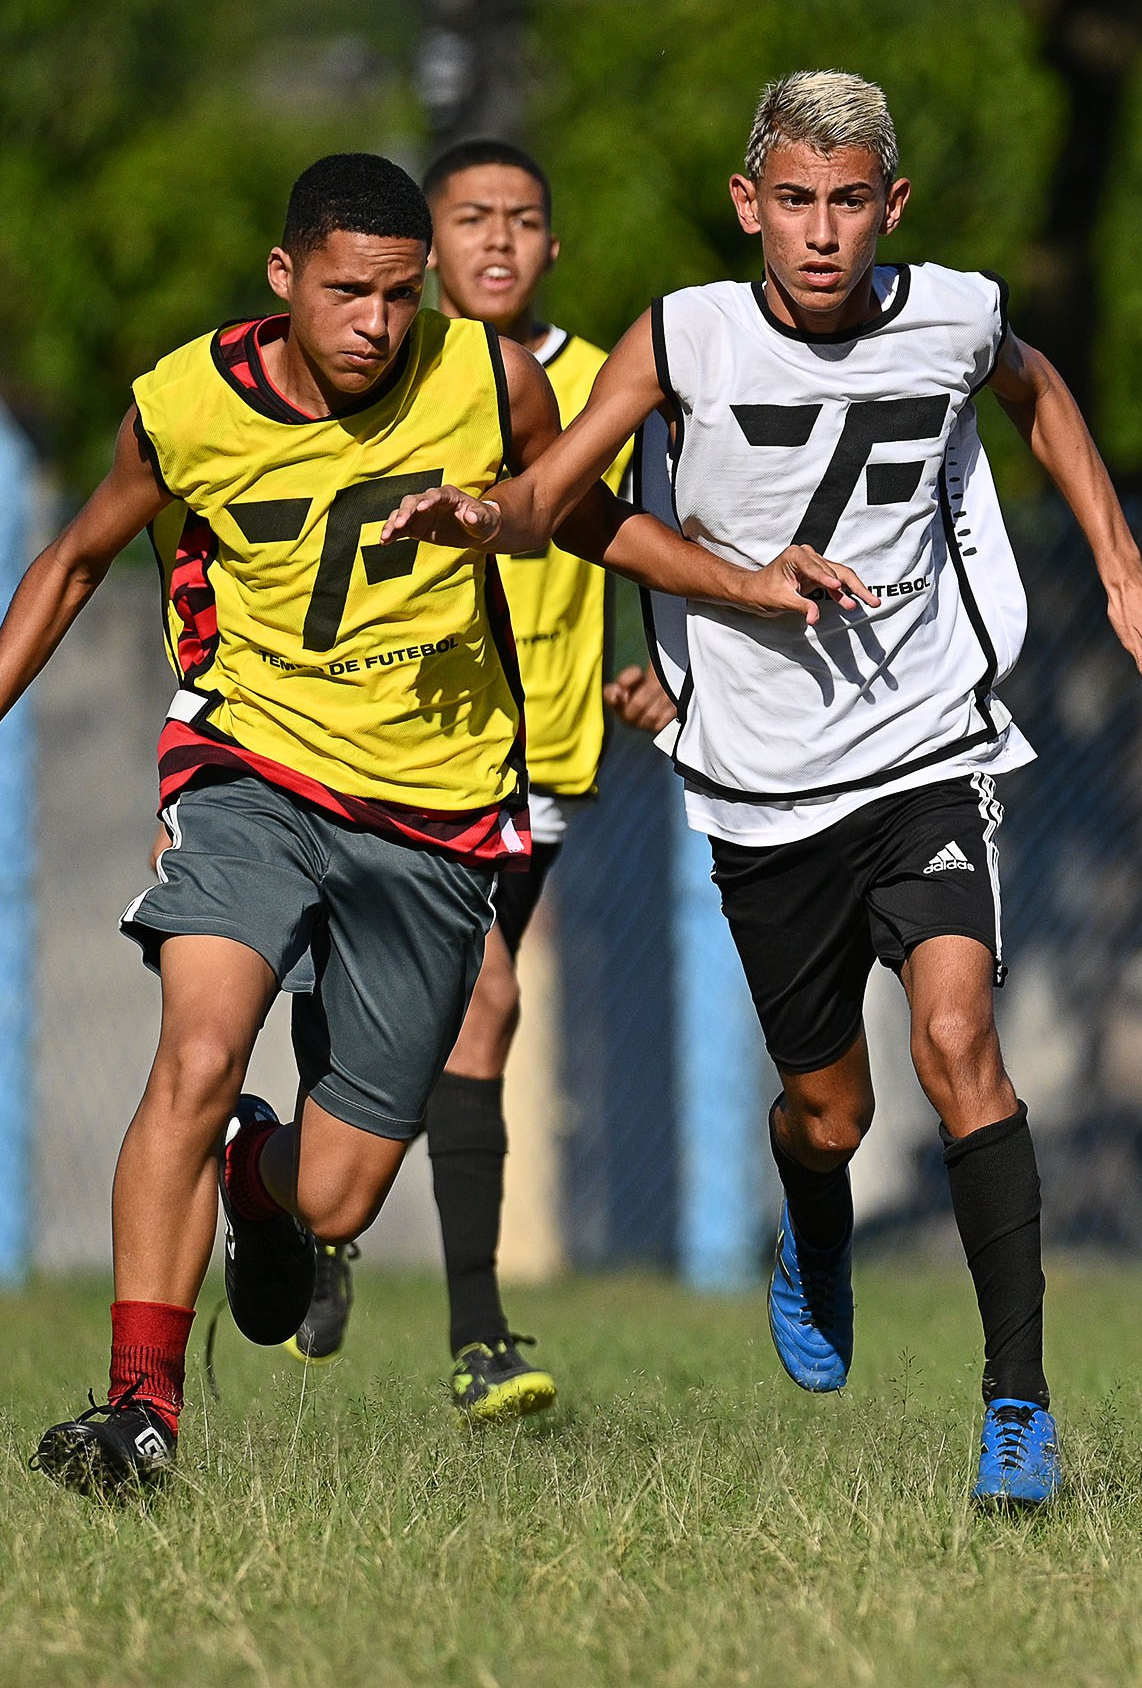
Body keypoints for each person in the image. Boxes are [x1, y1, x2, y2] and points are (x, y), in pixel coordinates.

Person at [0, 152, 871, 1498]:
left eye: (397, 292)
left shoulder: (489, 376)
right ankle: (141, 1410)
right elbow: (79, 551)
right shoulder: (185, 401)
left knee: (336, 1196)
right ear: (285, 279)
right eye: (344, 291)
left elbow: (581, 515)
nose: (375, 322)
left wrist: (743, 584)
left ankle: (256, 1190)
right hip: (248, 768)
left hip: (436, 819)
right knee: (195, 1046)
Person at [380, 71, 1142, 1505]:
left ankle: (1016, 1406)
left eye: (849, 202)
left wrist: (1126, 566)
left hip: (925, 744)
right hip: (764, 783)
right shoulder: (686, 334)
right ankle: (813, 1215)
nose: (822, 232)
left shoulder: (955, 311)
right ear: (747, 205)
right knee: (828, 1109)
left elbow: (1038, 389)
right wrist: (489, 514)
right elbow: (555, 500)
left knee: (960, 1040)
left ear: (889, 205)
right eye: (795, 201)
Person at [273, 138, 674, 1424]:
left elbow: (636, 526)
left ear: (554, 245)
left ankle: (318, 1218)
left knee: (445, 1007)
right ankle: (475, 1327)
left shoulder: (593, 384)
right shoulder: (394, 373)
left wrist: (657, 662)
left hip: (547, 755)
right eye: (470, 220)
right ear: (426, 248)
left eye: (523, 220)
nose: (497, 243)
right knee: (477, 1002)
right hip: (401, 754)